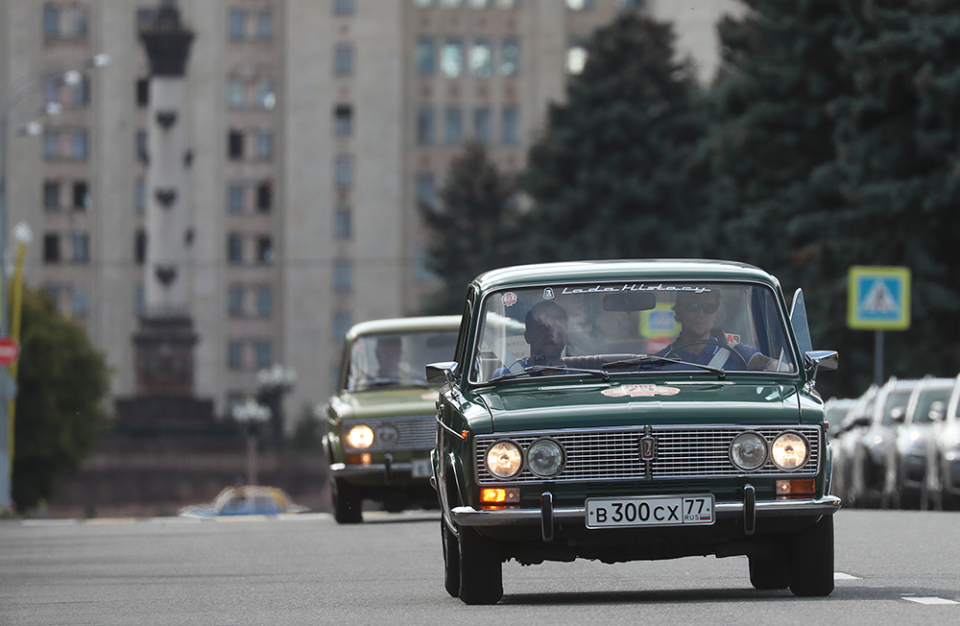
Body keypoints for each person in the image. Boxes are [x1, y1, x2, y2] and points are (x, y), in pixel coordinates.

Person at [655, 288, 781, 371]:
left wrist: (774, 365)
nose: (701, 314)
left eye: (709, 308)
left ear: (715, 314)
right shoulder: (659, 361)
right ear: (678, 311)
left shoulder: (737, 353)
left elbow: (768, 363)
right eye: (692, 306)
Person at [493, 301, 569, 377]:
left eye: (556, 327)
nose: (549, 332)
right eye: (540, 327)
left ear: (566, 337)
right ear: (527, 337)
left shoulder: (574, 377)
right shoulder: (503, 376)